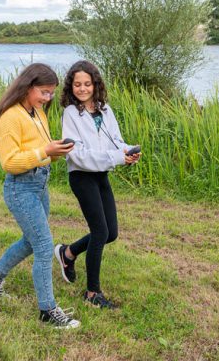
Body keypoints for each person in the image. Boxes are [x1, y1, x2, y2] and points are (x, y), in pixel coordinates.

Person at [0, 63, 80, 329]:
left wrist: (57, 151)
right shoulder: (9, 117)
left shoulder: (36, 112)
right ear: (28, 86)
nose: (48, 99)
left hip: (39, 185)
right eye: (44, 92)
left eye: (50, 93)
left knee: (31, 240)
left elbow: (41, 151)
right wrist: (44, 152)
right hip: (20, 188)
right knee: (45, 246)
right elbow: (9, 163)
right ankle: (48, 310)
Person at [54, 60, 141, 309]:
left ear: (95, 84)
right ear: (71, 86)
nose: (82, 89)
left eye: (87, 84)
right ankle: (92, 294)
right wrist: (116, 157)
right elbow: (78, 154)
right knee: (100, 232)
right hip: (81, 176)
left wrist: (128, 153)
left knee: (110, 233)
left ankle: (67, 253)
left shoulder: (105, 110)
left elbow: (116, 141)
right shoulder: (71, 113)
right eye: (77, 84)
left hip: (100, 174)